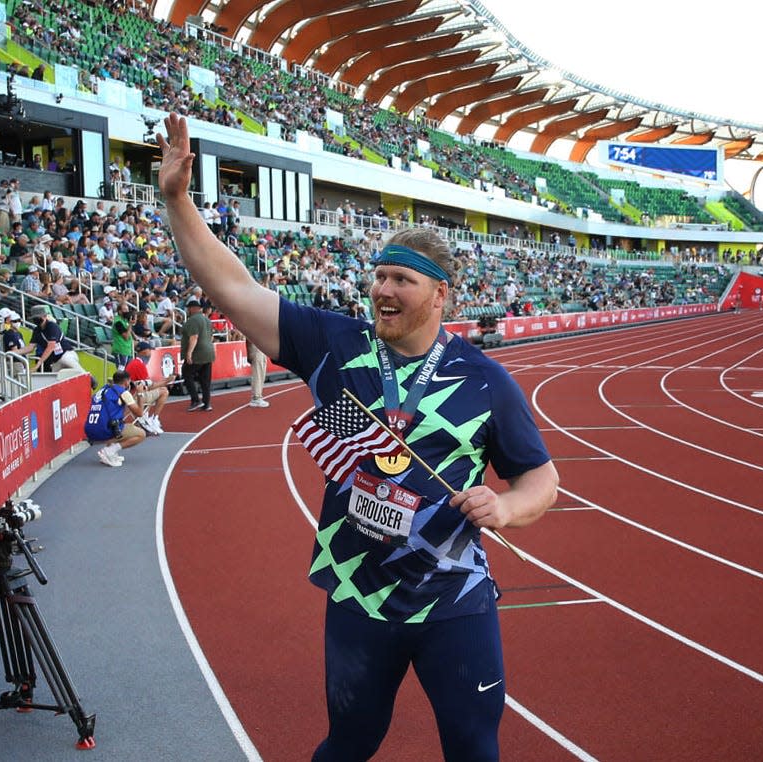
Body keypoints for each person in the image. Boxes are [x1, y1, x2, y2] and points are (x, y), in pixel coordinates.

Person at [156, 112, 560, 762]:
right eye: (378, 276)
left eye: (401, 279)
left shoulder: (484, 380)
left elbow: (539, 477)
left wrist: (507, 506)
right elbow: (232, 288)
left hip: (453, 600)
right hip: (357, 594)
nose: (382, 288)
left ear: (438, 296)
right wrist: (178, 200)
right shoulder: (334, 345)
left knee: (473, 749)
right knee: (347, 744)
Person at [83, 370, 146, 467]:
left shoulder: (103, 389)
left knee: (117, 423)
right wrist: (140, 394)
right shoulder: (123, 393)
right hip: (104, 431)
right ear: (126, 382)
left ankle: (111, 453)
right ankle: (110, 450)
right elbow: (140, 413)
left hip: (89, 430)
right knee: (141, 434)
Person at [11, 305, 82, 372]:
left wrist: (38, 363)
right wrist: (13, 352)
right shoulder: (37, 330)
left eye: (38, 317)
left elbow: (51, 346)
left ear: (45, 317)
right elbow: (30, 348)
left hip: (66, 353)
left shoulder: (52, 326)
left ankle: (86, 376)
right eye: (35, 318)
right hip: (55, 361)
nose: (36, 320)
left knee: (67, 361)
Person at [125, 341, 175, 435]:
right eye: (149, 351)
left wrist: (164, 381)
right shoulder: (139, 365)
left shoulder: (134, 363)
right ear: (144, 352)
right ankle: (154, 418)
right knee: (164, 391)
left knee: (161, 389)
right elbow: (149, 387)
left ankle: (149, 416)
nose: (151, 354)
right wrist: (166, 381)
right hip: (136, 396)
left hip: (132, 394)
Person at [179, 295, 215, 412]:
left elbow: (194, 337)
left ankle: (195, 400)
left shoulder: (192, 321)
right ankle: (207, 403)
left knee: (186, 373)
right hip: (209, 352)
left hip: (198, 353)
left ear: (194, 308)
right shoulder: (207, 320)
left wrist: (189, 353)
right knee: (205, 379)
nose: (188, 310)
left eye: (189, 308)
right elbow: (211, 336)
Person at [245, 338, 269, 407]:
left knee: (261, 372)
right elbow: (248, 338)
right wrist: (249, 352)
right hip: (256, 348)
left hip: (262, 347)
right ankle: (256, 397)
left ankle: (259, 395)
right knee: (257, 373)